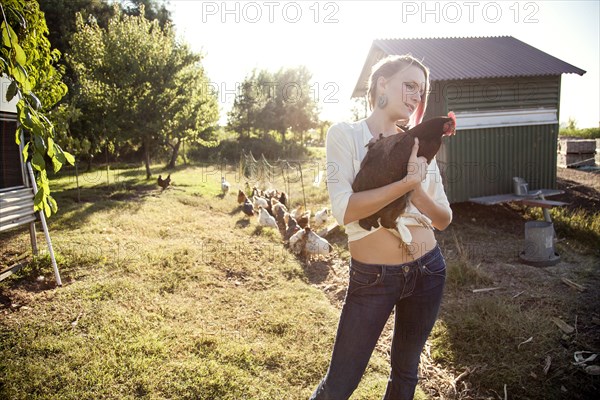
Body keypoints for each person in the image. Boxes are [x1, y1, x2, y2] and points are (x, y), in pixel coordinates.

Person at [310, 54, 453, 400]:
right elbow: (346, 209)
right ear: (382, 84)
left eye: (422, 90)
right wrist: (405, 184)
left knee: (405, 376)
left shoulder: (420, 145)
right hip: (373, 277)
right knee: (340, 384)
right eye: (410, 85)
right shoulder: (345, 134)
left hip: (428, 271)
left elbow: (444, 219)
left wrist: (416, 188)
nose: (417, 95)